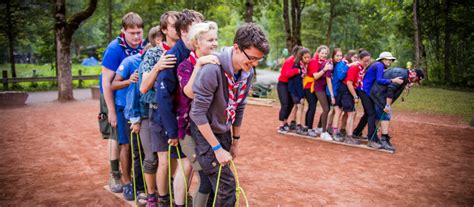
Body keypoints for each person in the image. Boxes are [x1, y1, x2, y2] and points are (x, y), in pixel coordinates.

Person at [190, 22, 270, 206]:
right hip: (204, 131)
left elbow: (240, 106)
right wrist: (217, 149)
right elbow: (197, 114)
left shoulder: (246, 72)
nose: (255, 64)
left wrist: (235, 141)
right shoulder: (212, 69)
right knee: (227, 187)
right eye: (251, 58)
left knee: (213, 187)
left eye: (259, 59)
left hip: (224, 128)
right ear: (236, 48)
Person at [153, 9, 204, 207]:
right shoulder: (173, 57)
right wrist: (172, 131)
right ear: (184, 31)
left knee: (189, 165)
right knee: (185, 165)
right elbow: (163, 97)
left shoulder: (197, 52)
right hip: (177, 122)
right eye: (196, 29)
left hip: (195, 120)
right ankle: (176, 202)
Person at [125, 25, 174, 206]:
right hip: (146, 115)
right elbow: (137, 94)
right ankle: (150, 193)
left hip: (162, 115)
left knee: (165, 158)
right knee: (150, 158)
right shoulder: (144, 67)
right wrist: (135, 119)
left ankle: (165, 191)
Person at [99, 12, 146, 193]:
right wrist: (110, 110)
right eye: (132, 33)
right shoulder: (114, 49)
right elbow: (106, 82)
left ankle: (136, 177)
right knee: (116, 135)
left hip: (134, 97)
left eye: (139, 32)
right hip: (112, 95)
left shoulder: (144, 46)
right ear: (123, 32)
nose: (136, 37)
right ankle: (115, 174)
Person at [353, 52, 403, 148]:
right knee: (372, 114)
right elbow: (379, 80)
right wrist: (393, 80)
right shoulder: (379, 65)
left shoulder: (378, 65)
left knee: (368, 113)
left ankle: (357, 132)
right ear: (382, 59)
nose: (390, 61)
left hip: (365, 91)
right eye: (388, 59)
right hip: (364, 91)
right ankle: (371, 139)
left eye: (391, 60)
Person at [370, 68, 425, 151]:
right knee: (386, 115)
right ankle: (383, 139)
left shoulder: (405, 75)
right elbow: (391, 89)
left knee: (380, 115)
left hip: (380, 93)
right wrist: (387, 104)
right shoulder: (403, 76)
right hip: (379, 94)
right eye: (416, 80)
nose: (415, 82)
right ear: (415, 75)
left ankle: (376, 137)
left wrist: (406, 84)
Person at [337, 51, 371, 145]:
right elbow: (349, 83)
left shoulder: (361, 68)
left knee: (349, 113)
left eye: (368, 61)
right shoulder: (354, 67)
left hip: (350, 90)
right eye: (365, 61)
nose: (367, 63)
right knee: (351, 113)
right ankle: (349, 136)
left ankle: (343, 131)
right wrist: (355, 96)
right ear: (359, 59)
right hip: (346, 91)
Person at [307, 45, 333, 139]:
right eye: (322, 53)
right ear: (318, 53)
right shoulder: (314, 61)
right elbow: (316, 76)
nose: (324, 55)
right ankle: (322, 132)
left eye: (326, 53)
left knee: (327, 108)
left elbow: (328, 77)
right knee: (323, 108)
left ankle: (319, 128)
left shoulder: (326, 62)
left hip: (324, 87)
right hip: (315, 87)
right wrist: (325, 69)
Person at [276, 46, 302, 133]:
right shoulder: (289, 61)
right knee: (285, 104)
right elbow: (285, 74)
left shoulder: (299, 62)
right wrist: (296, 71)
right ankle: (281, 125)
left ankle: (285, 121)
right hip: (283, 84)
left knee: (291, 104)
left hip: (291, 85)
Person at [287, 48, 311, 135]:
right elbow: (297, 83)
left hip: (297, 89)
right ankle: (298, 125)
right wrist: (301, 96)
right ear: (301, 57)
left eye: (309, 57)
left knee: (297, 106)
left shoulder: (303, 66)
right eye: (305, 57)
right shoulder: (298, 66)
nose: (307, 59)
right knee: (300, 106)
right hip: (295, 89)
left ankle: (293, 122)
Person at [327, 48, 348, 142]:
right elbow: (340, 77)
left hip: (337, 91)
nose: (339, 57)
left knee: (336, 111)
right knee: (337, 111)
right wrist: (332, 95)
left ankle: (329, 128)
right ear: (333, 56)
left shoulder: (340, 64)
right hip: (332, 91)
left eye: (340, 55)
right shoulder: (331, 64)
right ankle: (334, 132)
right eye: (337, 56)